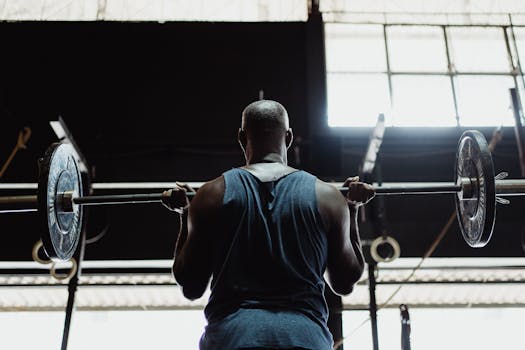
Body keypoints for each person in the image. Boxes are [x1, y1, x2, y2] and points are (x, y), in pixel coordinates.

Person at [165, 100, 375, 350]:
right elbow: (344, 283)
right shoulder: (328, 197)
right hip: (304, 340)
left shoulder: (211, 195)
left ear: (242, 137)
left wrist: (185, 212)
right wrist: (351, 208)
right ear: (288, 137)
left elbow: (191, 286)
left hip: (234, 339)